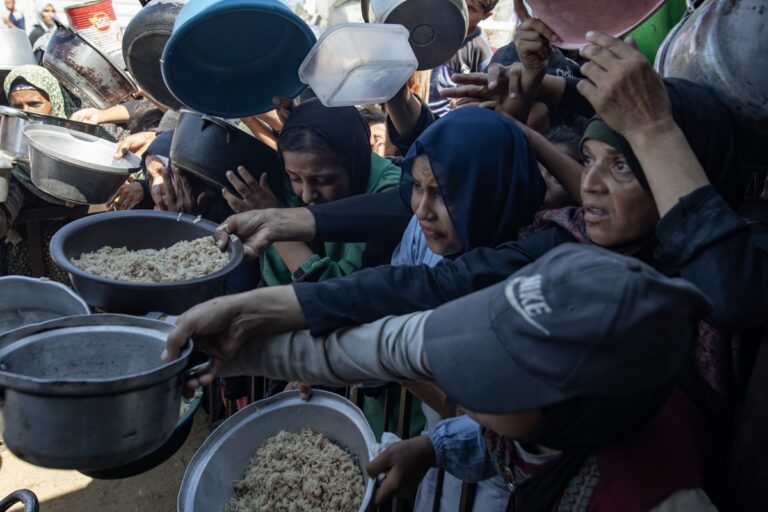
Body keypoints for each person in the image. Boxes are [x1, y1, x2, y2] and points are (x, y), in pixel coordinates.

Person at [167, 244, 717, 510]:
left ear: (573, 408)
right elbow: (372, 348)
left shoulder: (652, 498)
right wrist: (231, 352)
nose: (453, 381)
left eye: (485, 381)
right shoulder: (523, 360)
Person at [222, 99, 402, 286]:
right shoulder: (288, 185)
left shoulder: (389, 197)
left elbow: (338, 293)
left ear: (354, 163)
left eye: (323, 181)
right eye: (295, 179)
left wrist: (274, 225)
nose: (307, 196)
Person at [428, 0, 497, 117]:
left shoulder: (481, 53)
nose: (464, 8)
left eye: (471, 9)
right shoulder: (431, 28)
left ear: (486, 15)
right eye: (463, 2)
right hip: (414, 114)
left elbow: (487, 96)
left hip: (444, 120)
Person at [3, 65, 70, 118]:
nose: (25, 111)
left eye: (34, 104)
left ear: (55, 103)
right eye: (17, 106)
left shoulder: (70, 130)